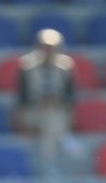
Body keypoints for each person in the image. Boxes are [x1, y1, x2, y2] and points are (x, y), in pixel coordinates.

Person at [15, 28, 77, 175]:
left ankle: (47, 162)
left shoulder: (65, 67)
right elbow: (22, 97)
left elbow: (70, 96)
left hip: (56, 111)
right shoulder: (27, 66)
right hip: (33, 112)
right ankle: (63, 139)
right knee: (51, 121)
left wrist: (55, 100)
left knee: (50, 121)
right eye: (46, 46)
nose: (49, 50)